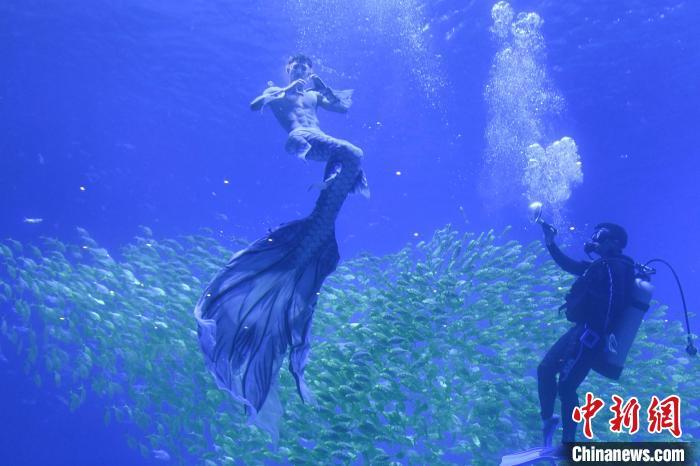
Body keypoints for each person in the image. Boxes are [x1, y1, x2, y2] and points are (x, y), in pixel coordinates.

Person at [193, 54, 368, 442]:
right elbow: (255, 105)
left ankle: (323, 212)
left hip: (319, 144)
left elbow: (343, 107)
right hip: (299, 138)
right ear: (288, 69)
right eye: (296, 67)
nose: (301, 71)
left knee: (349, 161)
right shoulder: (279, 91)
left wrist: (321, 86)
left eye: (305, 67)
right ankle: (327, 195)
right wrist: (285, 89)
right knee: (353, 154)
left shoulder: (313, 94)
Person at [537, 222, 636, 447]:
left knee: (566, 387)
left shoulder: (617, 267)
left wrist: (601, 335)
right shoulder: (600, 266)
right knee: (545, 369)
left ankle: (569, 443)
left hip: (591, 337)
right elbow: (568, 264)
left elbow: (613, 305)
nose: (594, 240)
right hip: (580, 330)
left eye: (600, 235)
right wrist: (550, 242)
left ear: (614, 242)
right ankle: (548, 421)